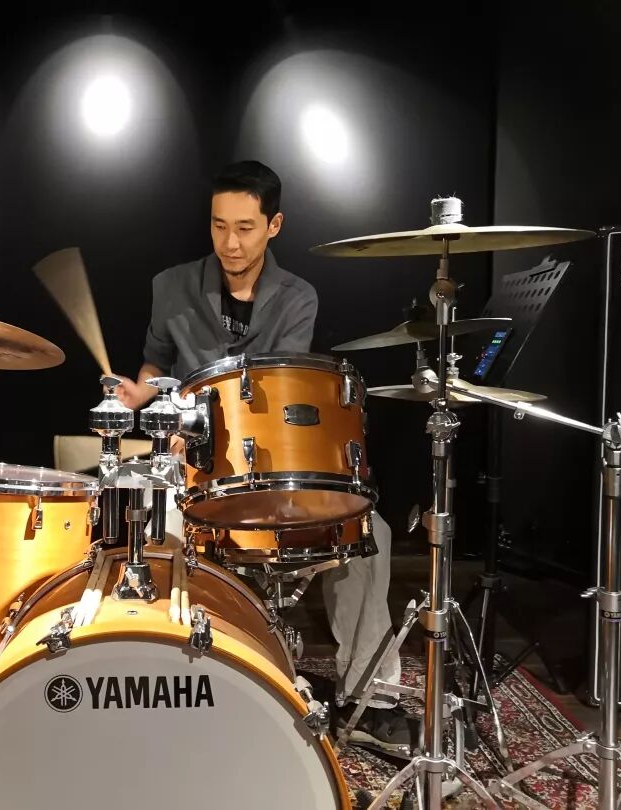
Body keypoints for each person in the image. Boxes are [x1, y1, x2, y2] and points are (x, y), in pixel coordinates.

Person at [116, 159, 413, 753]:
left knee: (368, 534)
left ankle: (371, 695)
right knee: (152, 527)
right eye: (219, 225)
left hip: (269, 458)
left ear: (274, 225)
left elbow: (272, 390)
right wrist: (142, 393)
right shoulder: (171, 285)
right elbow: (155, 363)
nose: (230, 242)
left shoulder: (298, 296)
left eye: (245, 227)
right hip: (193, 460)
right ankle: (174, 679)